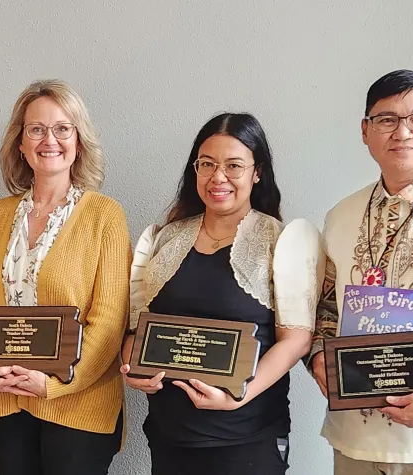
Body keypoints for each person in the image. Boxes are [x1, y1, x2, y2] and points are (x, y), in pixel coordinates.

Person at [122, 113, 323, 475]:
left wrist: (238, 396)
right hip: (170, 436)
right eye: (207, 164)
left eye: (234, 165)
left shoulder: (283, 242)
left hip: (247, 438)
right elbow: (138, 328)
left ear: (256, 171)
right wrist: (132, 370)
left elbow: (296, 340)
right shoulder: (164, 239)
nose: (218, 177)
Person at [0, 79, 131, 475]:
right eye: (36, 129)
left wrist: (55, 385)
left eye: (62, 128)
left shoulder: (105, 216)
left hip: (77, 407)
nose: (49, 139)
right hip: (5, 401)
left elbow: (109, 322)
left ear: (79, 141)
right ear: (20, 144)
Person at [309, 69, 413, 474]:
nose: (403, 132)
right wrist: (318, 358)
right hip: (355, 440)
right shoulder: (341, 215)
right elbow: (326, 308)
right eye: (387, 119)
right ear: (365, 130)